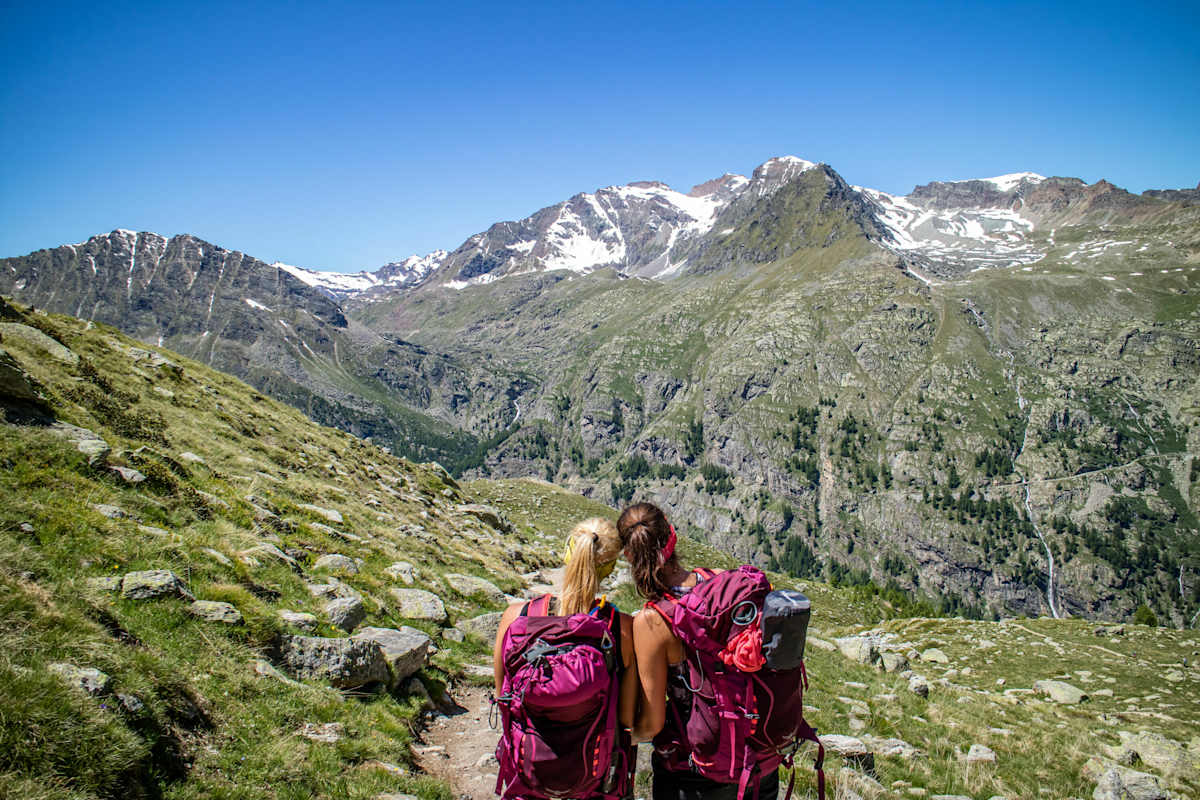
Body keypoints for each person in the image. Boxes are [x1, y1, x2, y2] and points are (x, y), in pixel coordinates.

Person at [620, 501, 781, 800]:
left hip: (698, 775)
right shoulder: (722, 582)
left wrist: (625, 736)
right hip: (760, 763)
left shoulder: (652, 622)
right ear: (672, 536)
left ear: (629, 557)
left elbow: (652, 724)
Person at [492, 517, 638, 800]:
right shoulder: (622, 628)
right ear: (608, 570)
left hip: (529, 774)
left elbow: (503, 697)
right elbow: (626, 719)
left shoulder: (516, 617)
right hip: (596, 781)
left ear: (567, 553)